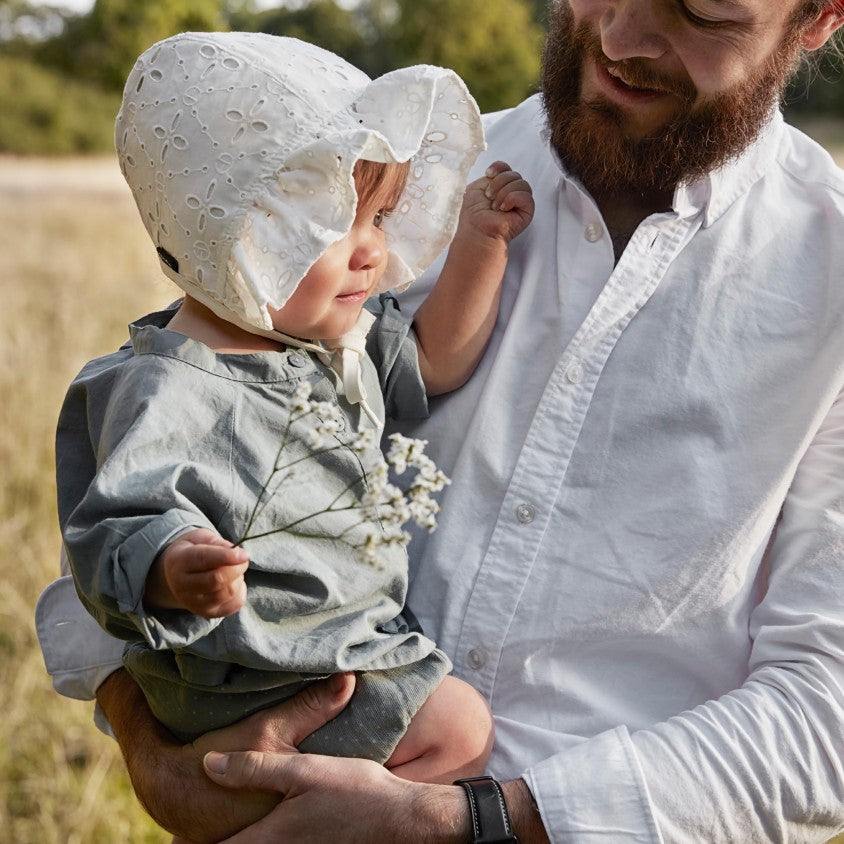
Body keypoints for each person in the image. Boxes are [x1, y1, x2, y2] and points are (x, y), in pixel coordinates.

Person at [35, 0, 844, 841]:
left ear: (819, 18)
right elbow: (160, 458)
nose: (618, 38)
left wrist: (473, 820)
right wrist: (155, 750)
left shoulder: (830, 283)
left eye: (704, 9)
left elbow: (828, 718)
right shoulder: (367, 176)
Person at [53, 30, 534, 792]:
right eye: (334, 227)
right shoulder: (169, 386)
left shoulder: (327, 342)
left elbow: (437, 360)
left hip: (316, 655)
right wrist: (175, 570)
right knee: (459, 730)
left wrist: (482, 244)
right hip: (250, 672)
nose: (372, 252)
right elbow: (115, 523)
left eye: (379, 219)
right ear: (232, 238)